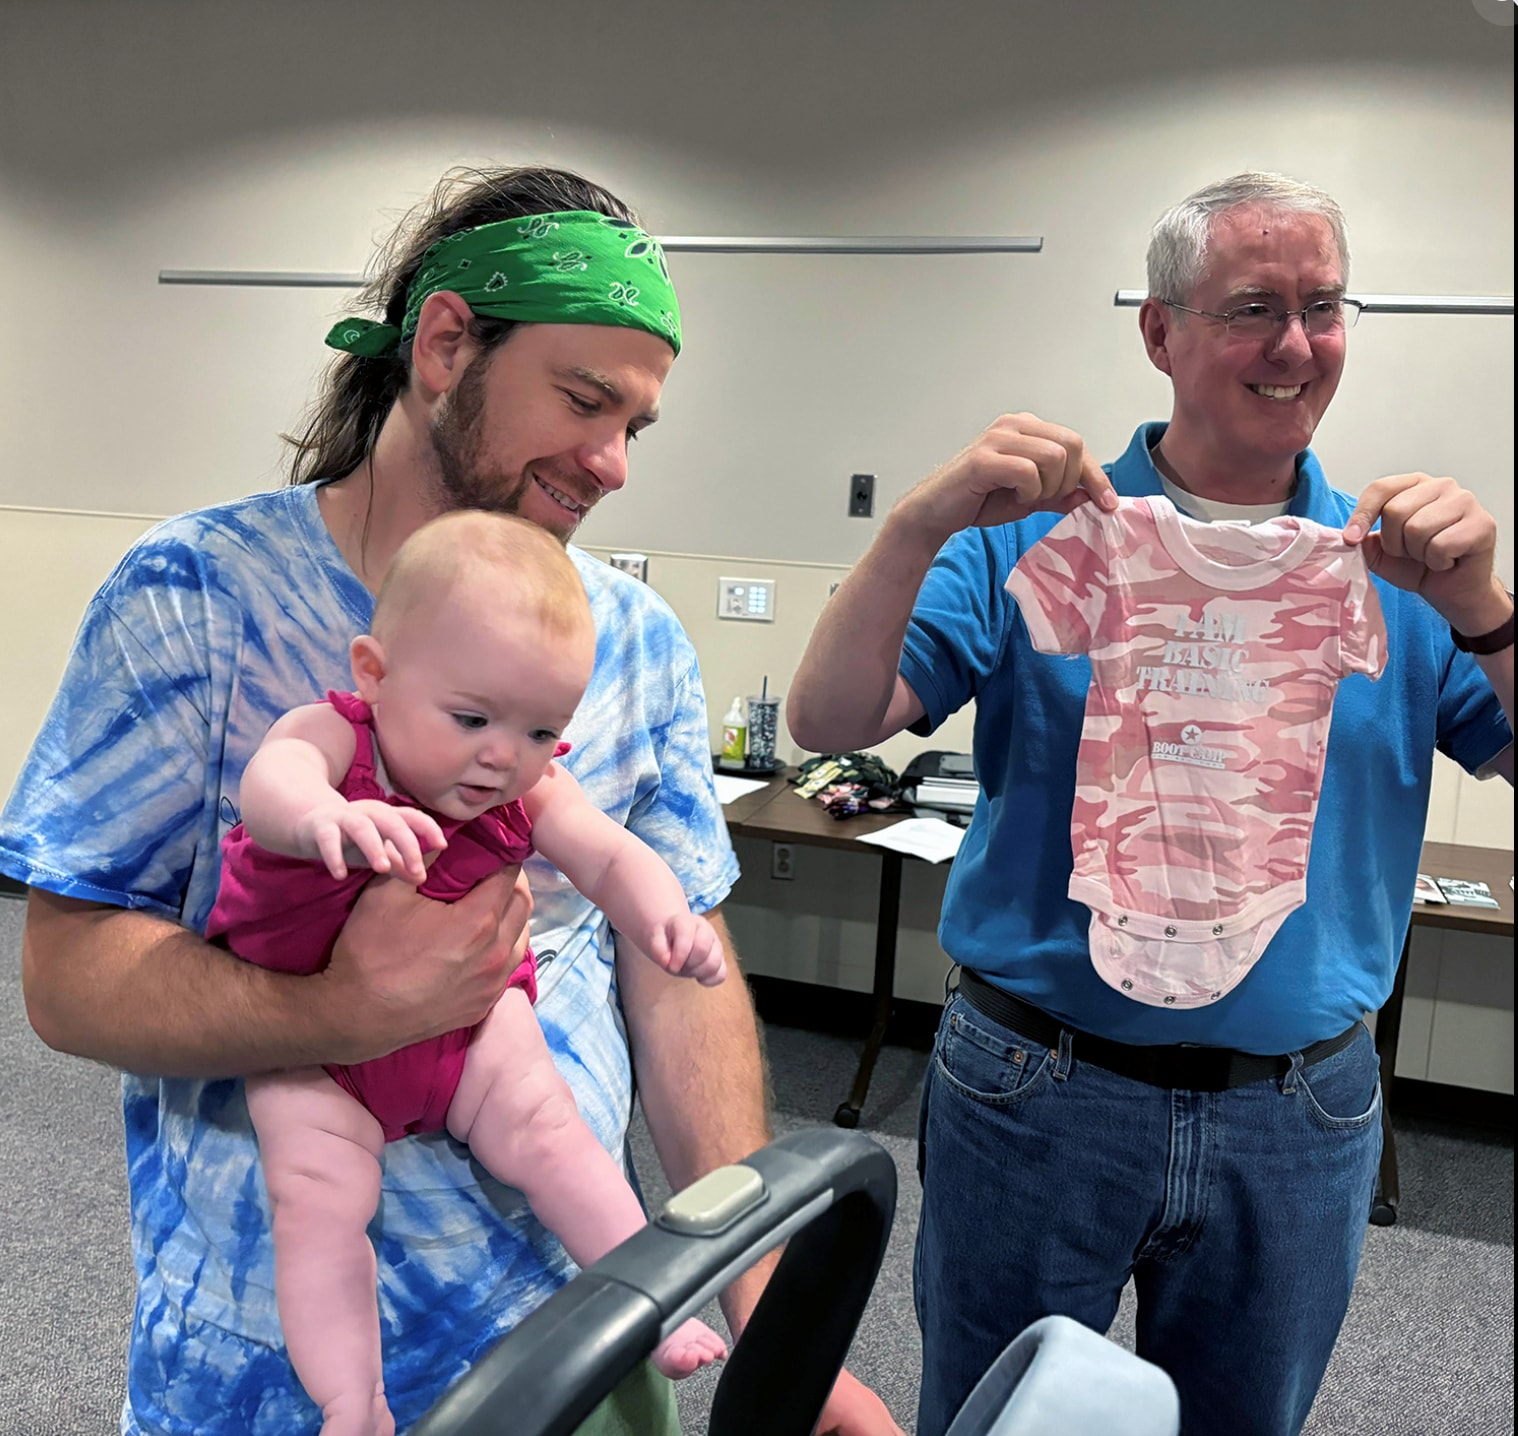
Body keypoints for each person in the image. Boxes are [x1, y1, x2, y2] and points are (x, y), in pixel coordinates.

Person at [2, 165, 902, 1436]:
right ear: (443, 346)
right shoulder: (196, 596)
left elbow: (674, 974)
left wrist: (763, 1298)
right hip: (265, 1373)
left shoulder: (628, 638)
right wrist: (338, 1008)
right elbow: (65, 977)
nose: (613, 462)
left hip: (584, 1332)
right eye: (583, 400)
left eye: (636, 425)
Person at [789, 172, 1513, 1436]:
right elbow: (831, 722)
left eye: (1324, 306)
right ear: (1161, 331)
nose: (1297, 343)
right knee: (993, 1416)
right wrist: (917, 523)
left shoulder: (1392, 568)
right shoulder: (1046, 534)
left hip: (1299, 1110)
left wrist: (1486, 613)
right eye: (1254, 307)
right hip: (1038, 1084)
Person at [210, 509, 729, 1434]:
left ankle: (654, 1299)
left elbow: (610, 856)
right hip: (315, 1050)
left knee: (552, 1129)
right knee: (316, 1201)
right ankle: (352, 1400)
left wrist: (667, 919)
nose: (503, 756)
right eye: (472, 719)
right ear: (376, 674)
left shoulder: (530, 785)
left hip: (467, 1032)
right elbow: (272, 780)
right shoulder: (338, 740)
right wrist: (326, 818)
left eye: (541, 730)